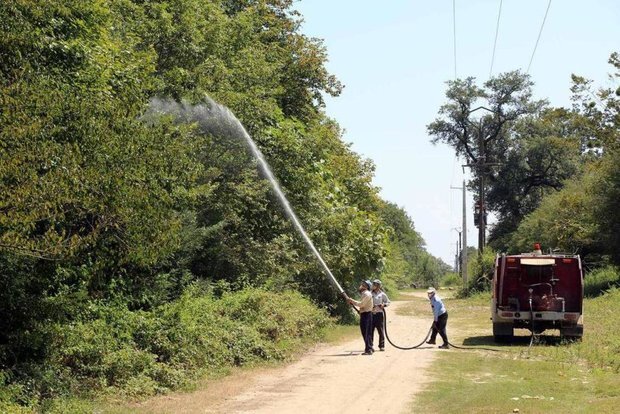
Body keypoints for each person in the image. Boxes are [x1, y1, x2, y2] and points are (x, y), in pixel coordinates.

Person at [346, 280, 374, 355]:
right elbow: (362, 305)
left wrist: (352, 301)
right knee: (366, 331)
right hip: (365, 313)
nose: (361, 285)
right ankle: (370, 347)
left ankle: (368, 349)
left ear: (366, 286)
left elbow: (361, 304)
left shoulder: (367, 294)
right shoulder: (364, 294)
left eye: (363, 284)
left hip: (367, 314)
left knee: (366, 332)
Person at [370, 279, 390, 351]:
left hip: (379, 314)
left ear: (378, 286)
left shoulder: (382, 294)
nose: (373, 286)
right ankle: (370, 346)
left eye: (374, 284)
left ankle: (381, 345)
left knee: (380, 330)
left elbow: (388, 302)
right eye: (373, 284)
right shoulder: (369, 293)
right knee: (370, 330)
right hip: (371, 314)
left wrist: (383, 305)